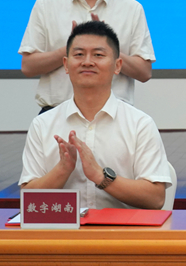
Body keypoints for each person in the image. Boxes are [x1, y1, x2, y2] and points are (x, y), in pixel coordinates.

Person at [19, 20, 171, 210]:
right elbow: (27, 201)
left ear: (117, 66)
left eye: (98, 55)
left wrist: (100, 176)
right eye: (79, 54)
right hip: (63, 229)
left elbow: (155, 198)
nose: (87, 62)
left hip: (122, 229)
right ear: (66, 64)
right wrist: (62, 170)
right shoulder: (43, 124)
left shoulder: (140, 124)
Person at [19, 0, 154, 113]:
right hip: (57, 113)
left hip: (114, 115)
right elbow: (28, 66)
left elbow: (144, 72)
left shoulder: (131, 8)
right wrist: (72, 48)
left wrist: (108, 48)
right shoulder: (47, 4)